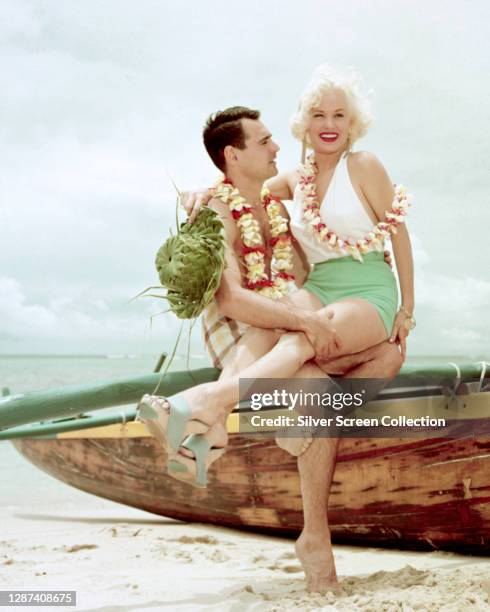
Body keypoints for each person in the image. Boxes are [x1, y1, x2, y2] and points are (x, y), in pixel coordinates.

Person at [137, 65, 414, 592]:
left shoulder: (286, 193)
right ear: (234, 155)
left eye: (338, 114)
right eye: (265, 141)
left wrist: (398, 310)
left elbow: (379, 233)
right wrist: (203, 193)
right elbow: (235, 301)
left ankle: (205, 419)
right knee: (320, 397)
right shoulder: (226, 208)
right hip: (253, 333)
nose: (276, 148)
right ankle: (312, 532)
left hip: (313, 316)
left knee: (381, 359)